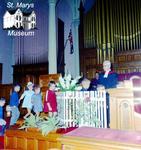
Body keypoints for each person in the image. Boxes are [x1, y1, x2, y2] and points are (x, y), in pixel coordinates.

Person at [98, 60, 118, 128]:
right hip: (101, 95)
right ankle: (102, 123)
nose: (104, 67)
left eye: (105, 65)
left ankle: (110, 124)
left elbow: (113, 85)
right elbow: (99, 83)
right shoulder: (101, 74)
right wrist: (100, 87)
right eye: (103, 65)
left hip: (110, 95)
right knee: (101, 109)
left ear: (109, 66)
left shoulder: (113, 74)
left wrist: (105, 89)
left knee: (109, 110)